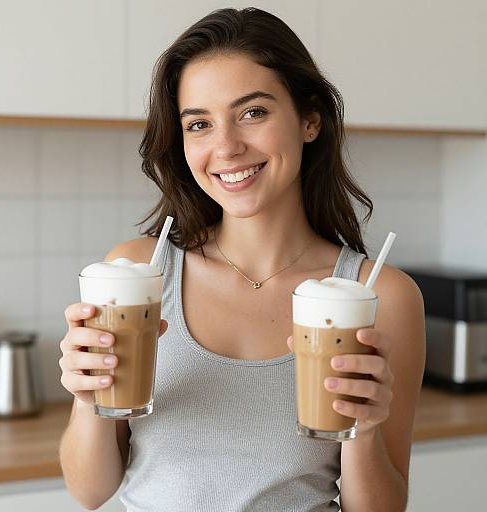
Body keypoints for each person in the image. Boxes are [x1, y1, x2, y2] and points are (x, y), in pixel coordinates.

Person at [59, 7, 425, 512]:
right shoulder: (140, 273)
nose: (226, 147)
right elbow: (89, 491)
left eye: (253, 112)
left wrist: (362, 430)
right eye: (199, 124)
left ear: (310, 119)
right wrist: (87, 399)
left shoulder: (380, 296)